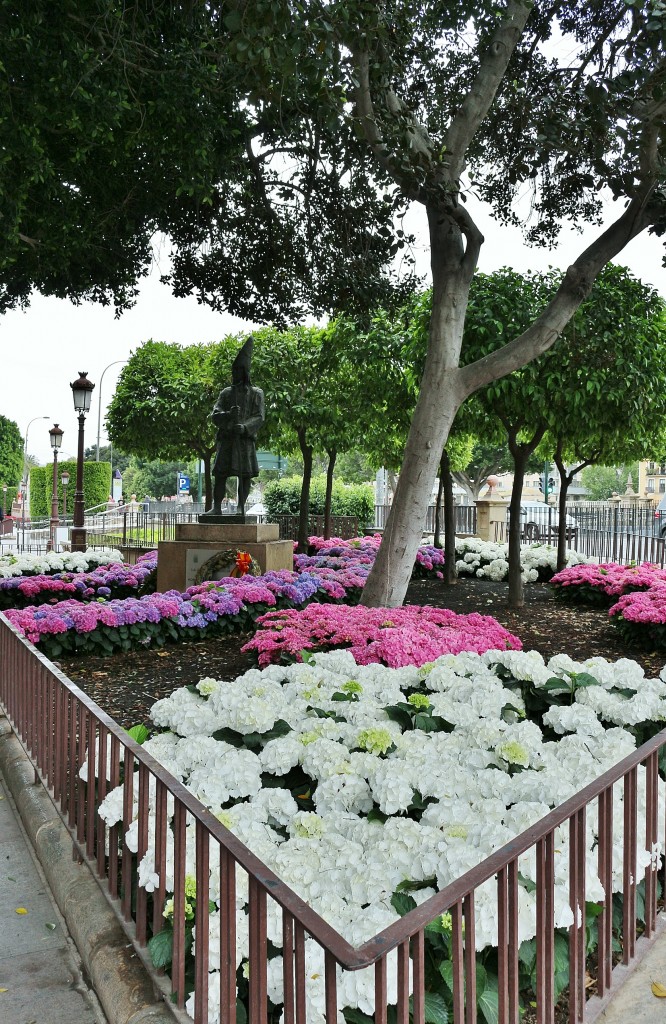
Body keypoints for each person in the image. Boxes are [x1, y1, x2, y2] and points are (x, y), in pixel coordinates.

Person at [201, 336, 265, 519]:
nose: (235, 374)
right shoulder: (226, 393)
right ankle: (216, 508)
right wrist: (228, 415)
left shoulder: (256, 393)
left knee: (244, 476)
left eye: (238, 370)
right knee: (220, 474)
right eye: (234, 370)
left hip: (244, 441)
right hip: (227, 440)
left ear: (245, 372)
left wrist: (244, 427)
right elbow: (215, 415)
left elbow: (259, 416)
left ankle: (240, 507)